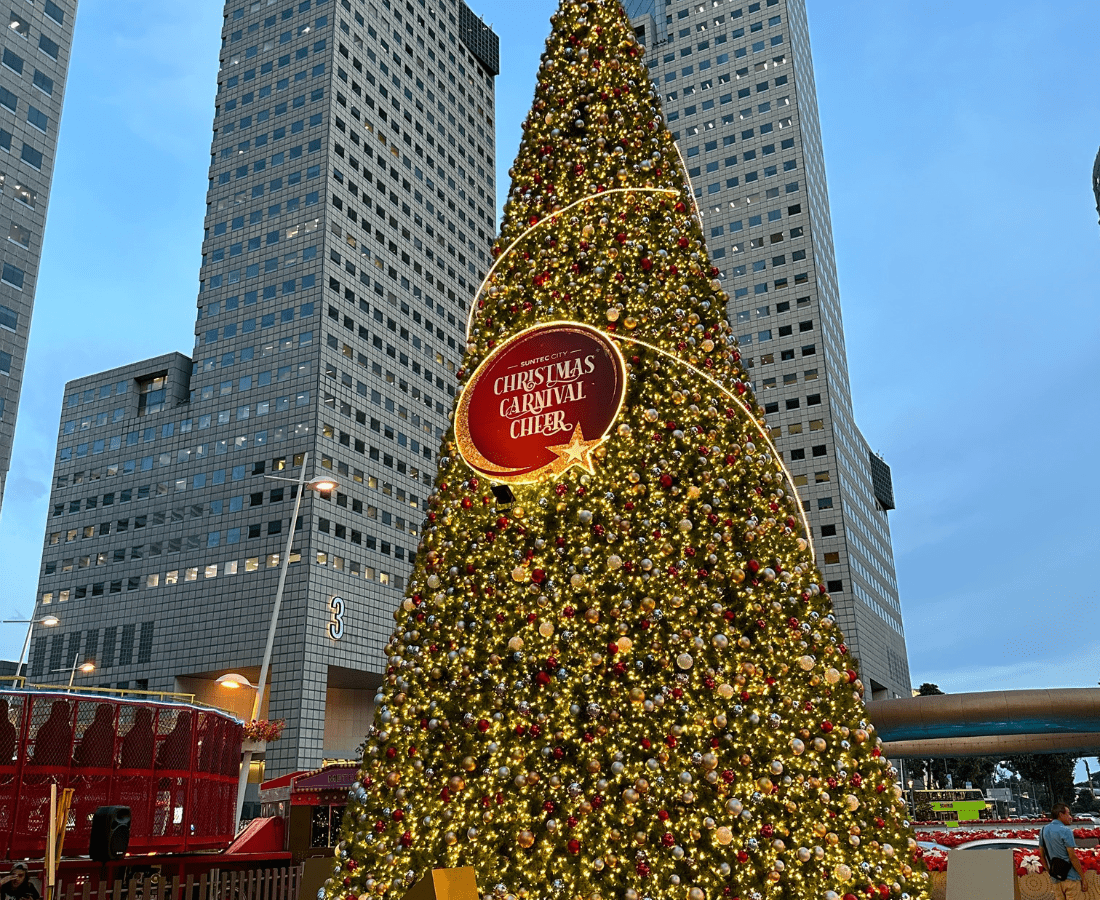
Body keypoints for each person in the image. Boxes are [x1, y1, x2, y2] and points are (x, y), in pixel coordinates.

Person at [1040, 802, 1090, 898]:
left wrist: (1050, 872)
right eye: (1068, 813)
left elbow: (1042, 855)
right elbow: (1072, 857)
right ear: (1061, 814)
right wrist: (1083, 878)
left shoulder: (1043, 830)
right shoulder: (1066, 831)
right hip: (1070, 878)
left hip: (1056, 880)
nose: (1070, 817)